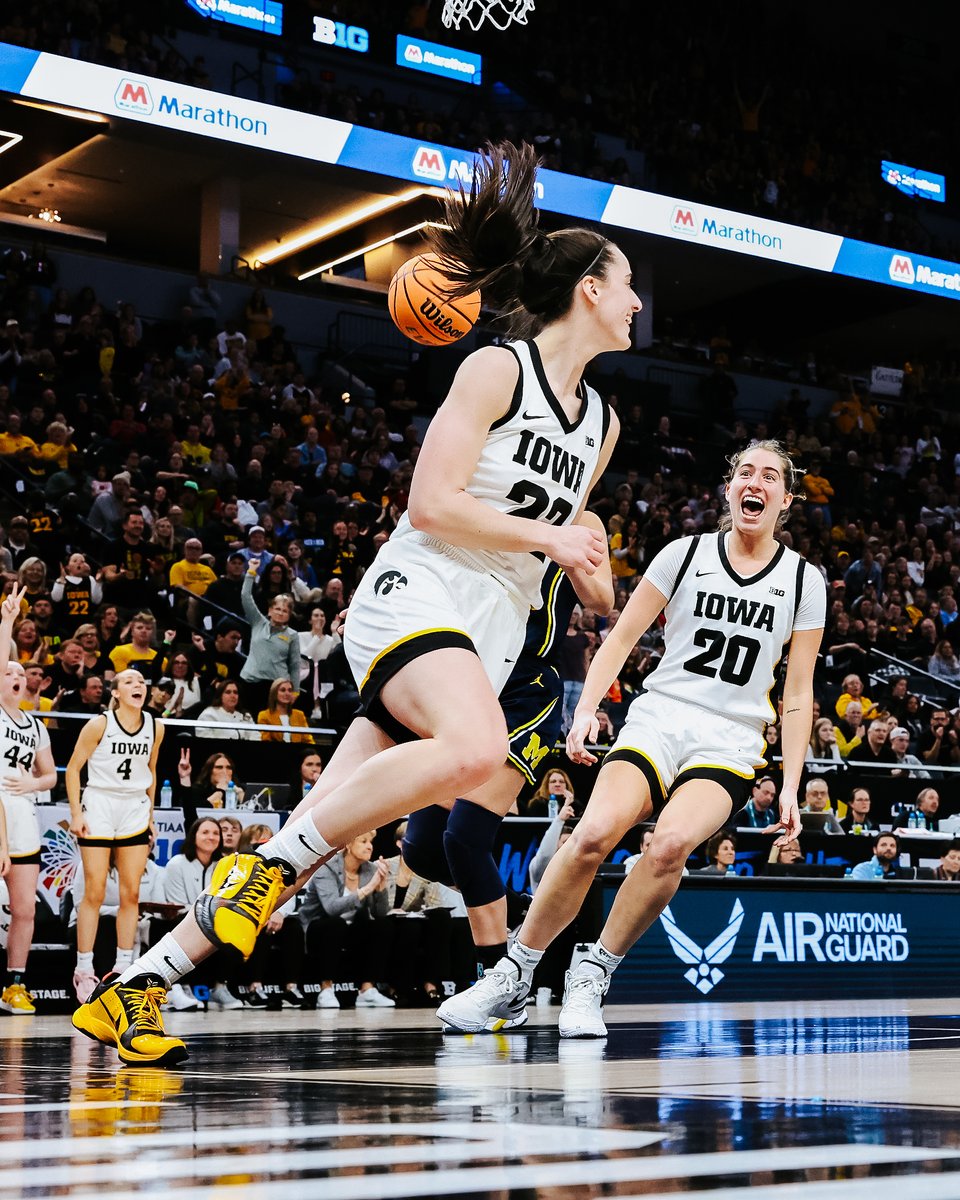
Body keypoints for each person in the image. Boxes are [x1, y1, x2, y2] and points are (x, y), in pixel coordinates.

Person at [72, 139, 629, 1062]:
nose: (640, 301)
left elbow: (577, 568)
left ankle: (138, 987)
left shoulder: (602, 424)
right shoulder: (497, 369)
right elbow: (430, 502)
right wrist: (549, 536)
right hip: (421, 591)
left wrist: (588, 569)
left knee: (315, 836)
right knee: (476, 752)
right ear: (590, 292)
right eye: (628, 284)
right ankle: (255, 877)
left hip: (486, 629)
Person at [437, 439, 824, 1037]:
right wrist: (586, 707)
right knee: (592, 833)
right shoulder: (683, 553)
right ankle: (514, 974)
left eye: (770, 476)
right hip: (662, 714)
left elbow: (797, 692)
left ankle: (593, 972)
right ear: (730, 488)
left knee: (669, 846)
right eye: (745, 470)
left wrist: (794, 783)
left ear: (785, 499)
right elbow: (619, 638)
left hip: (733, 736)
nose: (756, 481)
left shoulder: (804, 581)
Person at [66, 669, 163, 1004]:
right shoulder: (100, 724)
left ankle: (124, 967)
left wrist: (150, 816)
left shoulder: (156, 725)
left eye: (141, 681)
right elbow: (74, 768)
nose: (139, 685)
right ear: (117, 692)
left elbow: (151, 772)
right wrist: (77, 814)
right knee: (93, 890)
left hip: (134, 807)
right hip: (100, 804)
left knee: (131, 893)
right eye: (130, 682)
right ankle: (84, 969)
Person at [0, 585, 58, 1014]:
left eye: (23, 676)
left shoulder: (34, 725)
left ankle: (14, 985)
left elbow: (51, 775)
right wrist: (7, 622)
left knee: (24, 909)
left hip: (23, 816)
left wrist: (32, 786)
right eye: (9, 673)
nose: (18, 679)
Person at [297, 832, 394, 1009]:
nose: (369, 846)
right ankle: (326, 989)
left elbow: (380, 913)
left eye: (371, 842)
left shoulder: (370, 869)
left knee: (382, 925)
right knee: (335, 925)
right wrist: (368, 888)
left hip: (351, 929)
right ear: (348, 845)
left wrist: (381, 889)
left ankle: (367, 990)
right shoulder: (326, 868)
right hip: (319, 927)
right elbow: (331, 908)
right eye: (363, 841)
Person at [161, 817, 240, 1012]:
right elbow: (177, 905)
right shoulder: (176, 864)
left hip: (213, 920)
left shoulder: (226, 865)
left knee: (235, 925)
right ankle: (182, 988)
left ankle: (220, 988)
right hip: (185, 920)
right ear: (193, 836)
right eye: (205, 832)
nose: (211, 837)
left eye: (215, 833)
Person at [239, 563, 300, 718]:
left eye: (285, 611)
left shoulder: (292, 635)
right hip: (249, 682)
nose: (280, 613)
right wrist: (251, 571)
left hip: (275, 687)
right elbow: (246, 596)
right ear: (270, 610)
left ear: (289, 615)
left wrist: (296, 691)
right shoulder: (258, 622)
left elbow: (294, 665)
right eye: (277, 609)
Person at [256, 678, 314, 744]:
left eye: (290, 690)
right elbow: (266, 741)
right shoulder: (264, 715)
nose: (287, 693)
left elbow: (308, 741)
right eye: (283, 690)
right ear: (274, 693)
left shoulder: (299, 715)